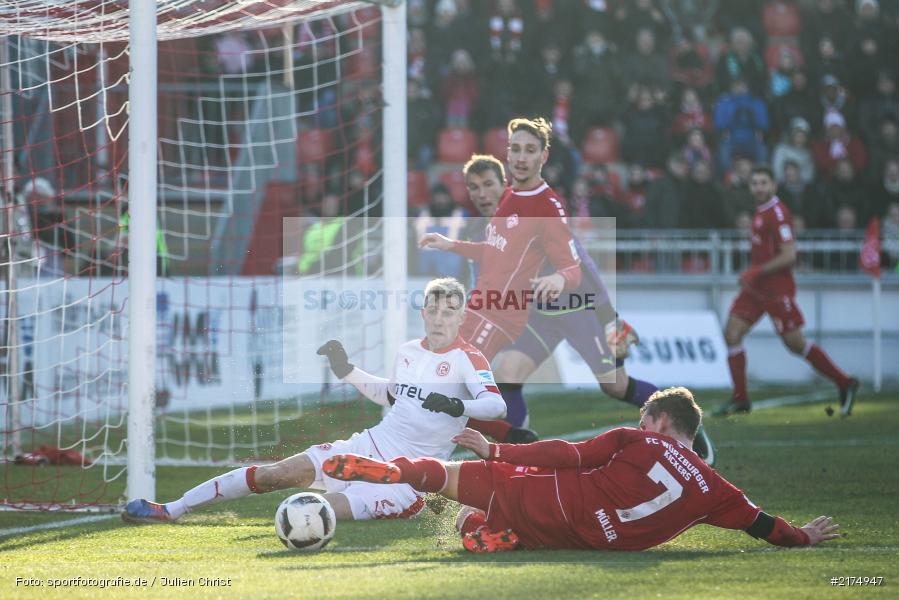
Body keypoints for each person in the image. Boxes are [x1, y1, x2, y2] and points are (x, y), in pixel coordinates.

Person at [122, 278, 507, 523]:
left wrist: (459, 406)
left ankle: (423, 500)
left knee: (316, 513)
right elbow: (390, 395)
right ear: (424, 313)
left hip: (405, 476)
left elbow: (495, 406)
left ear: (461, 318)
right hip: (367, 446)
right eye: (434, 311)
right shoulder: (408, 351)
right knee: (277, 474)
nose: (440, 319)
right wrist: (346, 369)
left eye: (449, 312)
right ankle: (171, 509)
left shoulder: (468, 359)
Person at [322, 387, 839, 553]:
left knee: (439, 473)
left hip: (547, 496)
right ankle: (489, 532)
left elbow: (565, 454)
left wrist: (498, 452)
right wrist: (805, 537)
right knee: (487, 527)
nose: (639, 419)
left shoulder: (637, 439)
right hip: (580, 538)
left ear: (661, 420)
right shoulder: (717, 490)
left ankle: (392, 470)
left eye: (644, 414)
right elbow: (763, 525)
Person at [461, 154, 715, 464]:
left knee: (616, 386)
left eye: (488, 184)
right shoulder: (478, 233)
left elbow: (582, 261)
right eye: (474, 187)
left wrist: (609, 316)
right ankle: (519, 455)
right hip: (538, 317)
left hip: (580, 310)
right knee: (506, 375)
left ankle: (689, 426)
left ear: (505, 185)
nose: (482, 193)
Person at [419, 117, 581, 443]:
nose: (521, 157)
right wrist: (452, 245)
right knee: (444, 387)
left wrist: (560, 280)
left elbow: (573, 266)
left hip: (498, 314)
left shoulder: (547, 207)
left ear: (543, 156)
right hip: (479, 306)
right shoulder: (510, 197)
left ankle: (508, 441)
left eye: (530, 150)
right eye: (516, 149)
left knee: (442, 385)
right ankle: (514, 440)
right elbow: (494, 251)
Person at [715, 165, 859, 417]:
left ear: (774, 185)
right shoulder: (761, 212)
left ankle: (845, 382)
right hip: (756, 289)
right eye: (755, 183)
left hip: (776, 290)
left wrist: (754, 271)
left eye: (763, 183)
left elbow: (789, 255)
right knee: (732, 333)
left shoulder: (778, 214)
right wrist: (754, 275)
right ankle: (741, 399)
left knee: (794, 343)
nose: (759, 187)